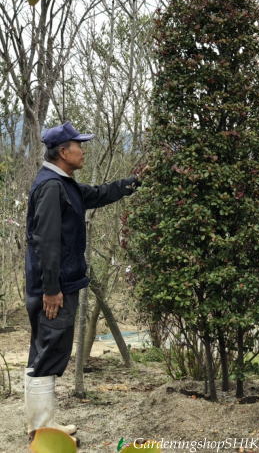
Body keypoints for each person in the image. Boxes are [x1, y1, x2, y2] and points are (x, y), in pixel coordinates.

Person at [24, 121, 140, 440]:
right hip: (53, 290)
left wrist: (135, 182)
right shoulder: (51, 186)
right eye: (79, 145)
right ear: (64, 152)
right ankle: (40, 433)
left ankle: (42, 425)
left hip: (62, 285)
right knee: (46, 356)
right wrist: (51, 290)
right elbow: (45, 241)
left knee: (48, 354)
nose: (83, 150)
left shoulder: (64, 183)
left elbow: (98, 194)